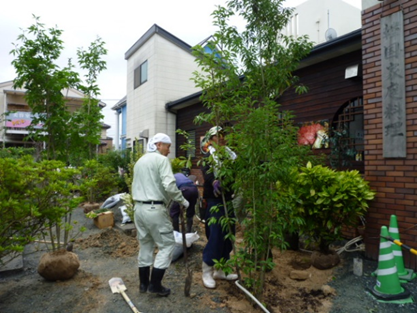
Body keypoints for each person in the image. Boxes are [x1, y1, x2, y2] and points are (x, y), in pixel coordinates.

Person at [132, 133, 190, 297]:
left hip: (139, 208)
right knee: (167, 245)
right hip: (154, 209)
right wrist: (182, 201)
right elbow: (170, 185)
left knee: (146, 244)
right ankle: (155, 285)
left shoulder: (140, 161)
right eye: (167, 146)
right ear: (158, 145)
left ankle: (143, 284)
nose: (169, 150)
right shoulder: (161, 160)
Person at [200, 126, 238, 289]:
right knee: (215, 233)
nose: (222, 138)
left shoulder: (230, 155)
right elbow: (207, 172)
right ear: (211, 138)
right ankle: (207, 269)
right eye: (218, 135)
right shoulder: (209, 155)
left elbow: (236, 172)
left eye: (223, 135)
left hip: (228, 199)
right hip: (214, 200)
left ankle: (222, 269)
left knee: (229, 233)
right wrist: (214, 182)